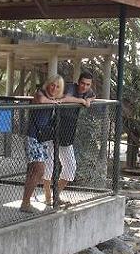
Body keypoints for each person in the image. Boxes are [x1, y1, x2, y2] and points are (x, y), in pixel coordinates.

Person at [20, 74, 90, 213]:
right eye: (53, 85)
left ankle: (30, 201)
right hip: (34, 136)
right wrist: (55, 102)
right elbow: (41, 99)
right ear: (48, 84)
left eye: (58, 86)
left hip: (45, 137)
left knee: (38, 170)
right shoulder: (41, 93)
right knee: (39, 169)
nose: (54, 88)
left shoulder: (56, 97)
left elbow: (69, 98)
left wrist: (82, 100)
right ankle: (27, 202)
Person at [41, 72, 96, 205]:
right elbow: (64, 98)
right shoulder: (70, 87)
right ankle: (48, 196)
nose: (84, 86)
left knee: (71, 167)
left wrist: (88, 100)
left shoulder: (89, 91)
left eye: (87, 84)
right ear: (78, 82)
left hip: (68, 130)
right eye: (82, 83)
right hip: (53, 126)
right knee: (49, 164)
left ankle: (56, 195)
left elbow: (93, 96)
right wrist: (82, 101)